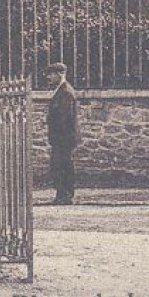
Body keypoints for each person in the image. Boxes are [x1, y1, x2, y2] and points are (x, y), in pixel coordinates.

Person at [46, 61, 80, 205]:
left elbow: (64, 119)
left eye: (51, 74)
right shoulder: (62, 90)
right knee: (59, 166)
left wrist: (58, 137)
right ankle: (62, 194)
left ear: (60, 75)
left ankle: (65, 195)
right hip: (61, 138)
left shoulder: (65, 92)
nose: (49, 77)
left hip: (64, 137)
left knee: (63, 166)